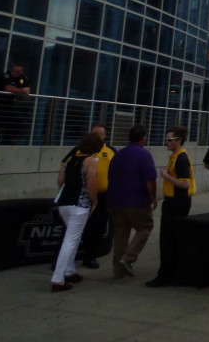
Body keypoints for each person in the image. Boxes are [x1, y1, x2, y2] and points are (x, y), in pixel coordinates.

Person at [51, 131, 104, 291]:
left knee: (72, 238)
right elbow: (91, 184)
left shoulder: (70, 160)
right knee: (70, 240)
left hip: (64, 203)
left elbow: (60, 181)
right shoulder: (91, 161)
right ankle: (58, 278)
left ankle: (69, 271)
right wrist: (94, 201)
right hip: (80, 204)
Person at [60, 123, 116, 269]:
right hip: (79, 196)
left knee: (97, 227)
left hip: (102, 195)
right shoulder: (79, 151)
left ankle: (90, 256)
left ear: (105, 136)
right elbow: (64, 168)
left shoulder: (111, 151)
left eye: (100, 134)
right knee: (72, 231)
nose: (97, 137)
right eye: (94, 134)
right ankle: (64, 262)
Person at [145, 126, 195, 287]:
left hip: (177, 202)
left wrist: (166, 176)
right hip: (173, 201)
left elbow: (185, 183)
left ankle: (167, 273)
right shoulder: (175, 156)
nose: (167, 142)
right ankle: (170, 272)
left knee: (169, 239)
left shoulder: (181, 158)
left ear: (178, 140)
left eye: (170, 140)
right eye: (166, 139)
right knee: (169, 239)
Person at [108, 124, 157, 277]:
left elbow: (110, 176)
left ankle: (118, 268)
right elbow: (150, 179)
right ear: (143, 138)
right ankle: (128, 258)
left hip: (116, 200)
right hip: (136, 200)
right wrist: (153, 196)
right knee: (145, 227)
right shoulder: (143, 155)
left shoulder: (119, 154)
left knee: (120, 233)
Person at [0, 63, 31, 144]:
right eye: (14, 71)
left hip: (12, 104)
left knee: (12, 124)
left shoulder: (23, 78)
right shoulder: (6, 76)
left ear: (21, 72)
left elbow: (27, 89)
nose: (14, 73)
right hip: (0, 103)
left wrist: (16, 90)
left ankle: (6, 142)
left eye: (17, 72)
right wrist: (20, 91)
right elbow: (8, 88)